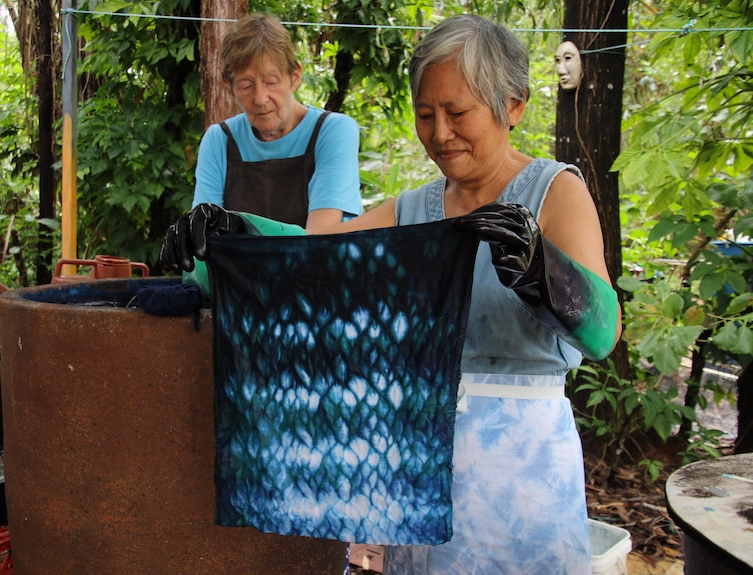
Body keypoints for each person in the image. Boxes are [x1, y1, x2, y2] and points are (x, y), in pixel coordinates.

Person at [162, 13, 621, 575]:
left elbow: (604, 333)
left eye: (457, 114)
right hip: (416, 470)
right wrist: (234, 234)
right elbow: (315, 258)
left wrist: (546, 275)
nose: (440, 134)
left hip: (522, 473)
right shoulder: (416, 211)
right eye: (426, 116)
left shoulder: (555, 192)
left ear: (514, 106)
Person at [193, 13, 363, 230]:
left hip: (317, 262)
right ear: (229, 85)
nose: (260, 99)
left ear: (295, 76)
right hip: (238, 265)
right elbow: (203, 235)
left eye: (271, 82)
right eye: (246, 86)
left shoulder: (334, 131)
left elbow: (318, 238)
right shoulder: (219, 140)